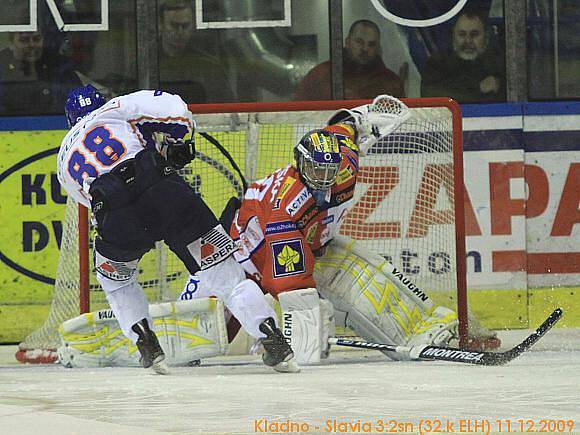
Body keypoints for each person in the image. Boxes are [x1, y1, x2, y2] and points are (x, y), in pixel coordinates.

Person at [183, 95, 473, 365]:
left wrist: (362, 119)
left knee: (367, 282)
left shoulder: (343, 162)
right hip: (243, 257)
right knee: (194, 333)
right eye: (316, 172)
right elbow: (289, 283)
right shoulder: (286, 209)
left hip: (302, 243)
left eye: (328, 172)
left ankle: (428, 331)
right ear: (301, 164)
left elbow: (345, 129)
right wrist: (306, 329)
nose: (323, 179)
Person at [56, 85, 295, 374]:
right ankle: (273, 339)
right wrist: (176, 143)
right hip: (163, 191)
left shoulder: (63, 160)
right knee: (226, 276)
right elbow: (176, 108)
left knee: (117, 283)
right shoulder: (117, 107)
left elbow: (91, 202)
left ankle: (146, 343)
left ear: (70, 120)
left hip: (116, 216)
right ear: (100, 102)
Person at [294, 20, 405, 101]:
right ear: (347, 42)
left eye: (371, 44)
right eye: (359, 42)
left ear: (378, 48)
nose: (365, 49)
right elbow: (299, 114)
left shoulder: (391, 83)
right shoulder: (320, 76)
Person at [421, 9, 505, 103]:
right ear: (453, 36)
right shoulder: (437, 64)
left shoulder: (501, 64)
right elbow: (430, 96)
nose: (468, 41)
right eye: (462, 34)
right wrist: (478, 88)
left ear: (487, 37)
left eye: (474, 34)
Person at [158, 0, 233, 103]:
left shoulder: (209, 68)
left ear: (193, 26)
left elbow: (224, 106)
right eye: (174, 25)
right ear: (161, 25)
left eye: (185, 26)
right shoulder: (144, 66)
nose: (180, 32)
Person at [0, 31, 82, 115]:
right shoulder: (2, 68)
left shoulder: (60, 67)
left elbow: (75, 100)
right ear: (11, 44)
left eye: (36, 39)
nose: (32, 45)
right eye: (24, 40)